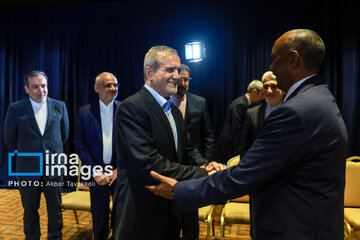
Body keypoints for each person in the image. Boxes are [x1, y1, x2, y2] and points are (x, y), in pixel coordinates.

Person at [146, 29, 348, 240]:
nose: (271, 67)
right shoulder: (320, 97)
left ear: (293, 59)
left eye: (274, 59)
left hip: (297, 229)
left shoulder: (295, 111)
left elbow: (244, 175)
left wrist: (180, 190)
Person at [112, 45, 224, 240]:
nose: (177, 76)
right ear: (150, 72)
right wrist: (203, 173)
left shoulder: (172, 109)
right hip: (141, 211)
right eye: (170, 70)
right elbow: (150, 163)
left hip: (171, 204)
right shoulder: (132, 107)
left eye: (178, 70)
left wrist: (205, 164)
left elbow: (188, 150)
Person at [4, 70, 69, 240]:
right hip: (27, 169)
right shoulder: (16, 108)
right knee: (30, 210)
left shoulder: (59, 106)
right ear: (26, 89)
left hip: (54, 167)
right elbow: (9, 138)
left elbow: (64, 135)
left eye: (44, 86)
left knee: (55, 209)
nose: (41, 90)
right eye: (35, 87)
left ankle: (55, 237)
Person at [74, 72, 120, 240]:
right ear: (96, 88)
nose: (113, 88)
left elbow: (131, 145)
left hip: (119, 172)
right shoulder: (85, 112)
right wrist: (95, 172)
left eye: (115, 85)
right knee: (99, 216)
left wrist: (118, 170)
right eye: (108, 85)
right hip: (97, 172)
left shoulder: (125, 110)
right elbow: (79, 144)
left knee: (121, 215)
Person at [171, 64, 215, 239]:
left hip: (194, 168)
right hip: (170, 168)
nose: (183, 83)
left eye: (186, 80)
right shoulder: (164, 103)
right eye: (180, 79)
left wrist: (205, 163)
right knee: (171, 215)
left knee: (191, 217)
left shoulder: (200, 102)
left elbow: (208, 136)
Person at [215, 80, 264, 163]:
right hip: (229, 148)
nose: (263, 97)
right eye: (262, 94)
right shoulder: (240, 105)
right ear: (255, 92)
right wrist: (240, 154)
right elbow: (237, 131)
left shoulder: (243, 103)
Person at [239, 71, 284, 156]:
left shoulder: (292, 111)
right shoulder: (252, 114)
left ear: (282, 89)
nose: (269, 91)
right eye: (266, 87)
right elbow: (244, 149)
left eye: (273, 86)